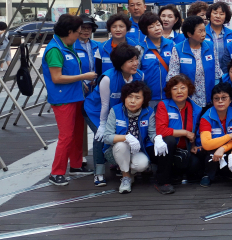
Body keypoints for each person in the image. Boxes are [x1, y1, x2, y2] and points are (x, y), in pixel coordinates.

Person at [42, 14, 97, 186]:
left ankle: (76, 164)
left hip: (76, 95)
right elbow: (57, 77)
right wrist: (83, 77)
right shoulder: (54, 50)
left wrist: (81, 84)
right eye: (78, 32)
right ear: (70, 32)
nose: (80, 34)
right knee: (66, 136)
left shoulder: (67, 45)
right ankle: (56, 172)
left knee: (77, 133)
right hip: (63, 98)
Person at [83, 44, 144, 186]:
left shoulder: (139, 76)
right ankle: (98, 172)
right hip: (96, 110)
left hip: (118, 110)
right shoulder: (108, 78)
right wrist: (102, 125)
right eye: (130, 61)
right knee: (100, 137)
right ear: (120, 64)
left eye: (136, 59)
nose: (135, 63)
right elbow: (104, 105)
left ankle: (119, 163)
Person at [153, 74, 205, 194]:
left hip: (184, 149)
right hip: (165, 148)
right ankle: (162, 181)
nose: (179, 92)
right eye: (175, 89)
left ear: (189, 89)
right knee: (169, 140)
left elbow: (196, 131)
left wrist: (194, 145)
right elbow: (160, 131)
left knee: (195, 166)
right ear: (170, 92)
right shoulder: (163, 105)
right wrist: (184, 133)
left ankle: (176, 174)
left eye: (183, 88)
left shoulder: (195, 108)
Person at [102, 81, 155, 194]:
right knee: (121, 145)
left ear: (144, 100)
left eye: (137, 97)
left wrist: (158, 139)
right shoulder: (115, 110)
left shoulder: (148, 112)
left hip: (137, 150)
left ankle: (131, 173)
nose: (132, 101)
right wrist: (126, 138)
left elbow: (151, 134)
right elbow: (106, 137)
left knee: (142, 164)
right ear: (124, 97)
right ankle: (125, 177)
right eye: (129, 96)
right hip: (115, 151)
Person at [198, 83, 232, 187]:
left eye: (224, 98)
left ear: (230, 100)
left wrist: (222, 148)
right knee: (210, 154)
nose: (220, 101)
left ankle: (225, 173)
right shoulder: (206, 117)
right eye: (216, 98)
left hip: (227, 148)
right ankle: (207, 175)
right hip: (211, 149)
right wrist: (230, 136)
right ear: (212, 101)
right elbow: (206, 144)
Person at [167, 16, 216, 108]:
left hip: (209, 97)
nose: (204, 34)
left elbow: (216, 70)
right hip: (188, 99)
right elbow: (173, 74)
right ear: (189, 34)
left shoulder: (210, 46)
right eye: (200, 31)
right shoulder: (178, 49)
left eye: (204, 30)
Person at [138, 12, 174, 108]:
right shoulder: (140, 49)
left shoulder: (172, 45)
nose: (157, 28)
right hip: (149, 99)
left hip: (169, 97)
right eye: (151, 27)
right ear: (145, 30)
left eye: (158, 25)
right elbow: (135, 73)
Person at [205, 2, 232, 86]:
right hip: (207, 74)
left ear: (226, 16)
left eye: (221, 14)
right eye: (215, 13)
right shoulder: (202, 32)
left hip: (227, 75)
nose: (218, 16)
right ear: (209, 14)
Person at [74, 15, 100, 91]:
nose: (86, 30)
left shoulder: (98, 46)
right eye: (83, 28)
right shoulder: (71, 47)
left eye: (89, 28)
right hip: (79, 87)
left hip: (96, 87)